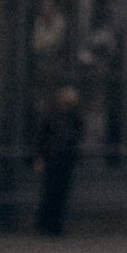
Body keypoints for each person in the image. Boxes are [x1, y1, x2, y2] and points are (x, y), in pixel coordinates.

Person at [33, 86, 83, 237]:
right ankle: (47, 225)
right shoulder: (54, 115)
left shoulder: (70, 116)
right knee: (51, 193)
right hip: (55, 158)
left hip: (62, 158)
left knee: (58, 193)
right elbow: (42, 137)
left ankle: (52, 225)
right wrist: (40, 157)